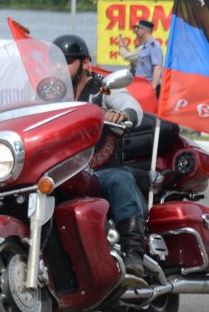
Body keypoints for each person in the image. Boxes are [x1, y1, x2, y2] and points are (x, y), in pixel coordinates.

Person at [53, 33, 147, 277]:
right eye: (55, 61)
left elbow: (131, 104)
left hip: (100, 170)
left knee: (120, 180)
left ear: (85, 63)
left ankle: (133, 251)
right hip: (62, 172)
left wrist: (123, 115)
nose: (58, 67)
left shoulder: (103, 88)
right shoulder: (51, 93)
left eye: (66, 61)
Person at [130, 19, 163, 94]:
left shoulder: (153, 46)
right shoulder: (145, 46)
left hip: (149, 89)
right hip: (141, 87)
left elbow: (157, 68)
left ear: (144, 30)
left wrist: (153, 88)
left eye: (137, 28)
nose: (136, 31)